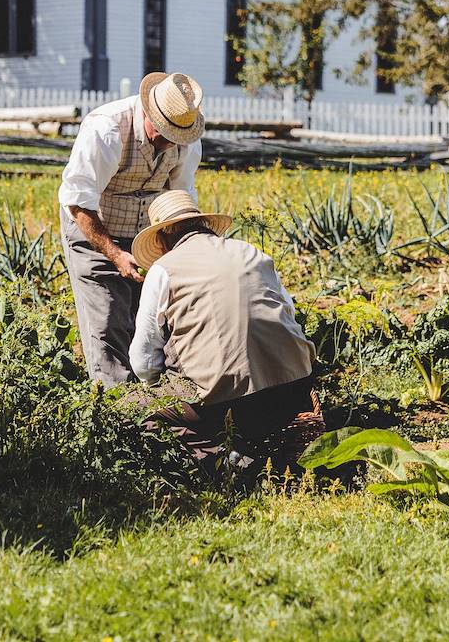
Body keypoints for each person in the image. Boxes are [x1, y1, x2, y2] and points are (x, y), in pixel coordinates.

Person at [127, 190, 320, 479]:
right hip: (293, 392)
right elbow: (288, 313)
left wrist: (160, 389)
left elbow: (143, 361)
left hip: (223, 407)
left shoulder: (163, 270)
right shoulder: (252, 252)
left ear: (162, 238)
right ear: (204, 224)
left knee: (135, 411)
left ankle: (228, 462)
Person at [58, 72, 206, 384]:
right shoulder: (107, 129)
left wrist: (182, 256)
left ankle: (155, 392)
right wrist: (114, 254)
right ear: (149, 113)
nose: (169, 142)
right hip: (94, 226)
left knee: (149, 316)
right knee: (108, 316)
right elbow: (79, 202)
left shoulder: (185, 143)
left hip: (145, 234)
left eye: (176, 136)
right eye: (163, 133)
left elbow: (180, 200)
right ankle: (116, 401)